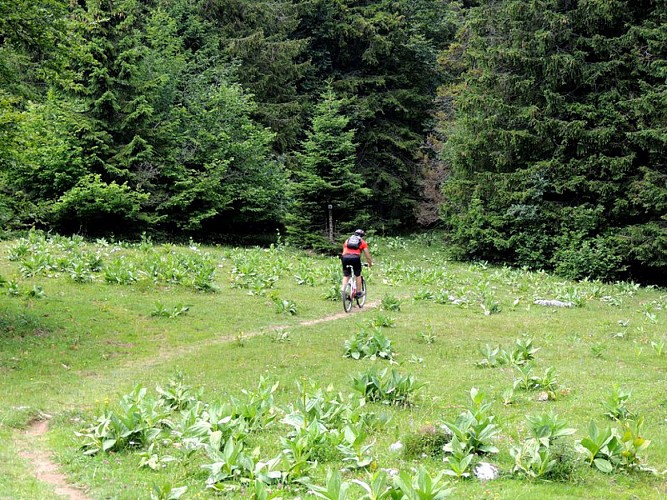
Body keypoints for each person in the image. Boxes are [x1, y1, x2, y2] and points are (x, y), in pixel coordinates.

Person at [341, 229, 373, 297]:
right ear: (362, 236)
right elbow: (367, 255)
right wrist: (370, 264)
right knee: (357, 274)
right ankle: (358, 292)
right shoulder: (362, 242)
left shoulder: (347, 240)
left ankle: (343, 290)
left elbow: (344, 250)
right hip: (355, 258)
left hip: (345, 257)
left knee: (346, 275)